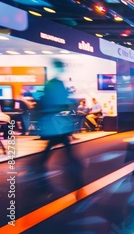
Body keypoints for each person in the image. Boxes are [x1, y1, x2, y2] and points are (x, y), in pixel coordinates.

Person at [37, 59, 83, 195]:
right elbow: (60, 102)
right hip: (56, 122)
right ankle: (74, 172)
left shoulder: (51, 83)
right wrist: (69, 103)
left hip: (54, 122)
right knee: (62, 144)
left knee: (56, 144)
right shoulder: (56, 84)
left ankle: (41, 164)